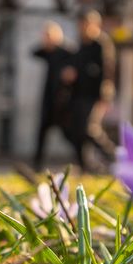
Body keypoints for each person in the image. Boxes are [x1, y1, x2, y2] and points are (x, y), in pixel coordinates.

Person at [64, 10, 113, 171]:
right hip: (78, 94)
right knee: (77, 131)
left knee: (90, 129)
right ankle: (84, 165)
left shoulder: (101, 45)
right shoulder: (81, 45)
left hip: (94, 95)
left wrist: (104, 95)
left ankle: (114, 157)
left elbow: (105, 71)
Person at [31, 21, 75, 170]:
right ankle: (37, 165)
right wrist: (45, 45)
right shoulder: (47, 52)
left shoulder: (66, 52)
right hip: (48, 99)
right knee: (42, 133)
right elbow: (33, 52)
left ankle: (84, 161)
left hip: (62, 100)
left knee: (70, 133)